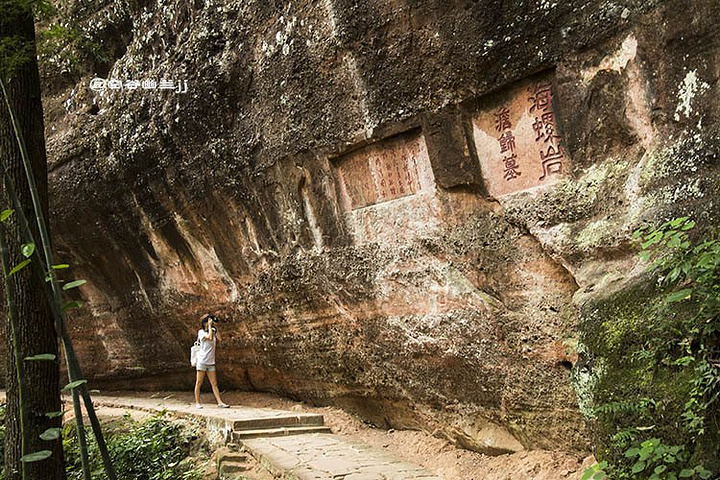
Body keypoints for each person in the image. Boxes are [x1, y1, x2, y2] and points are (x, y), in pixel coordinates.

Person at [194, 314, 230, 408]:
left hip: (211, 362)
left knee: (214, 383)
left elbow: (220, 338)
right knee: (199, 382)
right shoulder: (201, 332)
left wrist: (216, 328)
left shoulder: (213, 331)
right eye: (208, 321)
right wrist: (209, 326)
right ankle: (197, 403)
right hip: (202, 361)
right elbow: (209, 337)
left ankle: (220, 402)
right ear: (204, 323)